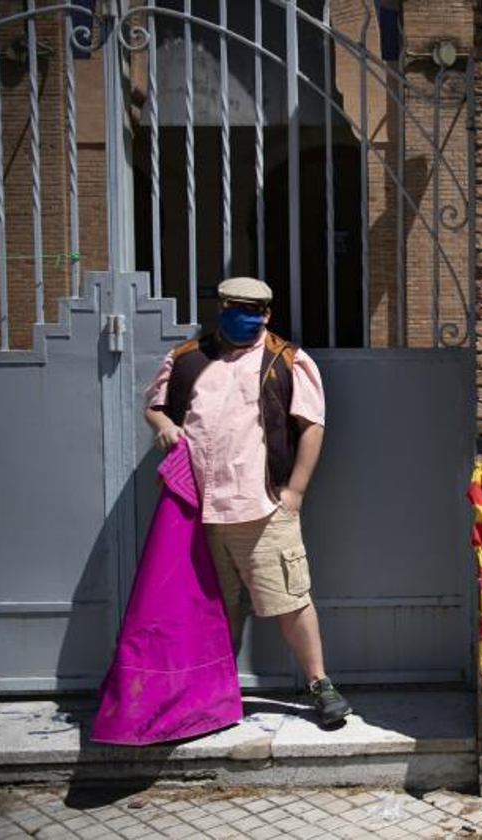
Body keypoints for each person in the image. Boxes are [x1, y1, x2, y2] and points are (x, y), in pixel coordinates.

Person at [142, 276, 350, 726]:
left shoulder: (288, 361)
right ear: (221, 307)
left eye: (253, 310)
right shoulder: (186, 358)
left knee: (290, 600)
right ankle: (215, 690)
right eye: (235, 307)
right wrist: (161, 425)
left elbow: (311, 426)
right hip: (196, 510)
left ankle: (320, 685)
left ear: (268, 314)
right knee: (213, 606)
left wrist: (294, 491)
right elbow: (154, 405)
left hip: (263, 506)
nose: (245, 316)